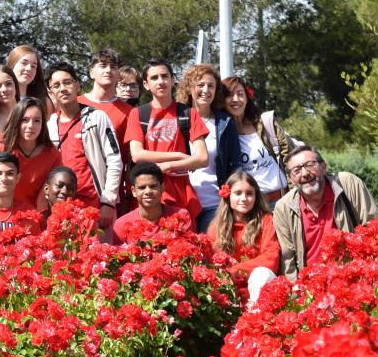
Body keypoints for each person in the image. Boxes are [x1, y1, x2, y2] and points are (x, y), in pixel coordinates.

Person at [273, 146, 378, 281]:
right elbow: (287, 258)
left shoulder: (347, 184)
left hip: (353, 278)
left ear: (323, 167)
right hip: (311, 285)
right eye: (296, 170)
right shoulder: (283, 208)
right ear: (291, 178)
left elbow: (374, 228)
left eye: (310, 165)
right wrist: (298, 295)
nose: (305, 173)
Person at [126, 58, 208, 220]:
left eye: (165, 76)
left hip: (181, 193)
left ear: (172, 80)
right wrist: (177, 156)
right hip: (148, 193)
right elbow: (137, 155)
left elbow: (203, 158)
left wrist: (167, 166)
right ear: (146, 84)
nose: (160, 81)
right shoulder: (138, 114)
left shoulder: (188, 113)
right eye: (154, 78)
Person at [46, 62, 122, 232]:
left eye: (67, 82)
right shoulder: (49, 125)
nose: (63, 88)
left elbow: (114, 160)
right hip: (61, 208)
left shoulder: (97, 118)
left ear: (77, 85)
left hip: (95, 206)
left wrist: (107, 201)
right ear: (51, 92)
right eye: (56, 85)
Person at [176, 64, 242, 232]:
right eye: (200, 85)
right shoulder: (175, 118)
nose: (206, 90)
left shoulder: (224, 122)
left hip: (214, 205)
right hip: (180, 205)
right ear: (189, 87)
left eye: (211, 86)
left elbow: (235, 166)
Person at [222, 76, 297, 206]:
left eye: (240, 94)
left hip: (284, 200)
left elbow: (290, 158)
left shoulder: (265, 123)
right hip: (251, 206)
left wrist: (296, 193)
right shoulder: (222, 135)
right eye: (229, 95)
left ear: (247, 98)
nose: (235, 99)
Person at [208, 171, 280, 307]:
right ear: (228, 196)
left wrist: (234, 270)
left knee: (262, 273)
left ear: (256, 196)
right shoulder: (216, 227)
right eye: (238, 193)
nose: (244, 198)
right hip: (230, 287)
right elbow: (214, 267)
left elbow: (271, 258)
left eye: (249, 193)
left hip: (258, 287)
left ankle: (257, 321)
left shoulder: (266, 220)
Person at [79, 49, 136, 215]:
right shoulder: (75, 104)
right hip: (77, 190)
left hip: (110, 197)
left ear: (118, 74)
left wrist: (126, 198)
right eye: (102, 66)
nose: (108, 70)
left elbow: (127, 160)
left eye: (113, 67)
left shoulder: (129, 112)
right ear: (91, 72)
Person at [0, 98, 63, 210]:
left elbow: (47, 198)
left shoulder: (53, 155)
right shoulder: (1, 149)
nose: (31, 126)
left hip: (37, 216)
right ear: (16, 121)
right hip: (5, 213)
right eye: (25, 120)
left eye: (37, 120)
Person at [112, 162, 191, 245]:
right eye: (142, 188)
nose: (148, 191)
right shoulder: (121, 224)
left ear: (162, 188)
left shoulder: (180, 216)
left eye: (153, 186)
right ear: (134, 191)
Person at [6, 45, 50, 109]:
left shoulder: (44, 103)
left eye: (33, 66)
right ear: (12, 64)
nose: (29, 68)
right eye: (24, 63)